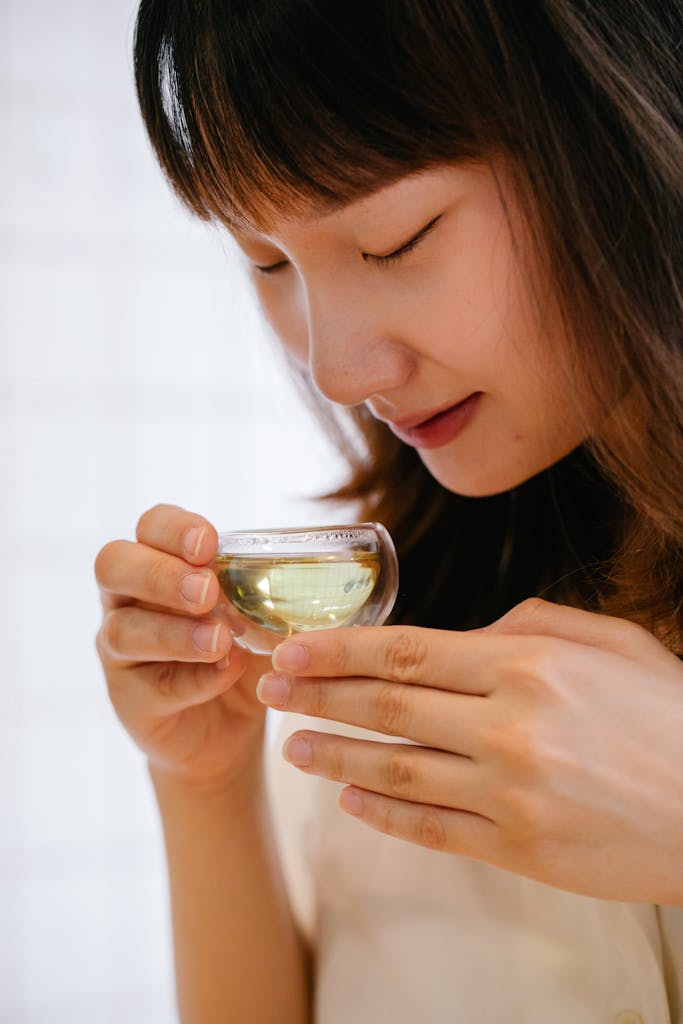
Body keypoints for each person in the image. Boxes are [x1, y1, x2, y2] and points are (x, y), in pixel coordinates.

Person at [94, 2, 683, 1021]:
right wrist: (204, 785)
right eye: (265, 261)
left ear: (614, 128)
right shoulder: (393, 612)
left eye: (393, 238)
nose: (334, 369)